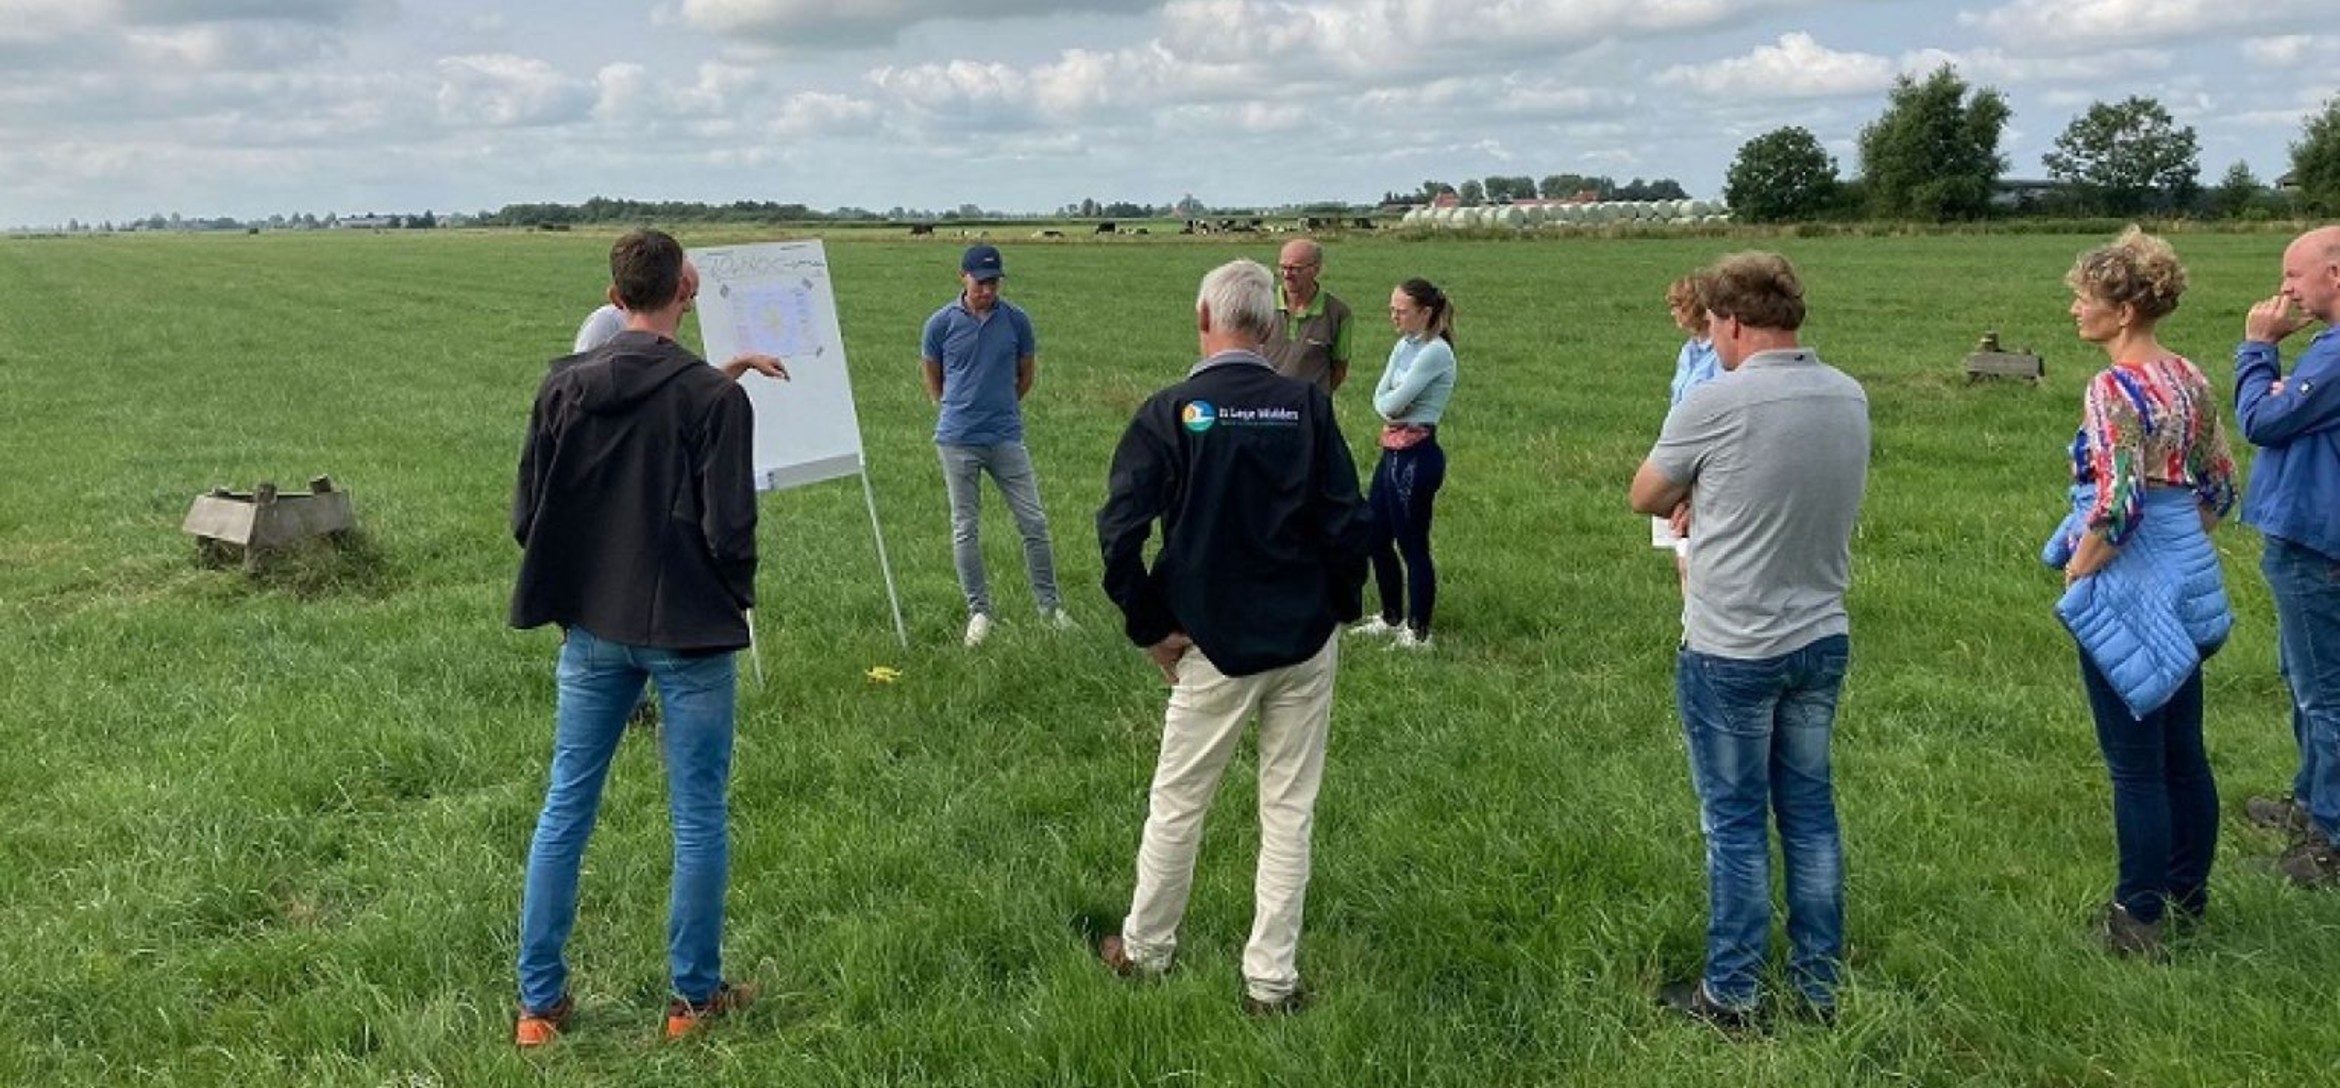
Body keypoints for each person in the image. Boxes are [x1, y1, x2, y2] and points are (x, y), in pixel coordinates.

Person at [1094, 258, 1371, 1016]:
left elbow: (1119, 532)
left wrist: (1151, 626)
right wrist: (1338, 610)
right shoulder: (1305, 407)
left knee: (1180, 801)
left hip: (1210, 644)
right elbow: (1349, 522)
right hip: (1303, 640)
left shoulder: (1172, 410)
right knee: (1289, 808)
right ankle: (1270, 982)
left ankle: (1147, 951)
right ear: (1274, 327)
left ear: (1203, 321)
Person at [509, 230, 759, 1047]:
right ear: (686, 287)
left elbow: (528, 515)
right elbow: (731, 531)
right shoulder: (716, 400)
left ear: (614, 294)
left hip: (591, 628)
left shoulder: (563, 388)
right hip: (688, 634)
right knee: (697, 818)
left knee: (565, 809)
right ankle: (692, 1001)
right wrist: (729, 596)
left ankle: (539, 1007)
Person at [1629, 251, 1869, 1028]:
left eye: (1713, 328)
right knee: (1809, 813)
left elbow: (1646, 494)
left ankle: (1730, 993)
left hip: (1732, 642)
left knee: (1734, 824)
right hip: (1821, 632)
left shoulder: (1716, 400)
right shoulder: (1847, 394)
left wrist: (1699, 490)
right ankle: (1818, 985)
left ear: (1729, 322)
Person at [2046, 227, 2234, 956]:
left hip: (2128, 577)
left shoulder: (2113, 388)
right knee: (2184, 748)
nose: (2074, 311)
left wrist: (2081, 565)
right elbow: (2221, 483)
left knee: (2134, 760)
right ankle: (2190, 895)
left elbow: (2117, 503)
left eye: (2083, 298)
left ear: (2123, 311)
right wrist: (2182, 542)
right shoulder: (2190, 378)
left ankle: (2138, 917)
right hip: (2186, 571)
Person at [566, 285, 787, 733]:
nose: (690, 303)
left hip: (647, 521)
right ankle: (632, 704)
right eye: (687, 293)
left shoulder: (665, 350)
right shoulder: (603, 329)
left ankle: (635, 701)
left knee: (573, 783)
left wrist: (736, 366)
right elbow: (594, 403)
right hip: (617, 508)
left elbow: (678, 397)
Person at [2236, 224, 2340, 887]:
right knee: (2302, 679)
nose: (2285, 290)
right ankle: (2309, 801)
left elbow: (2261, 423)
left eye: (2294, 275)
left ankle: (2330, 837)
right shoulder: (2326, 351)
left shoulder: (2334, 356)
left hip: (2315, 539)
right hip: (2308, 535)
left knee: (2323, 691)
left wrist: (2257, 350)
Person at [922, 243, 1073, 647]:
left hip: (1006, 437)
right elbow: (933, 377)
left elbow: (1025, 375)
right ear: (963, 277)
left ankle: (1049, 607)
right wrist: (955, 408)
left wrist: (1000, 407)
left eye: (994, 282)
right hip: (957, 440)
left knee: (1034, 522)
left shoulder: (1017, 321)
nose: (988, 290)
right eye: (981, 282)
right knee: (965, 528)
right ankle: (979, 611)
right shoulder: (940, 324)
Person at [1348, 278, 1456, 650]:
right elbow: (1380, 398)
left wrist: (1391, 404)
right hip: (1392, 450)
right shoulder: (1403, 346)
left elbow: (1390, 405)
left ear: (1425, 313)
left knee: (1413, 545)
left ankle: (1418, 630)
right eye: (1391, 308)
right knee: (1376, 536)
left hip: (1417, 455)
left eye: (1401, 310)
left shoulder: (1434, 352)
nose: (1392, 315)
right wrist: (1390, 403)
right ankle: (1391, 616)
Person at [1652, 276, 1722, 582]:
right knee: (1682, 554)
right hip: (1677, 452)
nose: (1673, 313)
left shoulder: (1721, 356)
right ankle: (1689, 627)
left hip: (1703, 457)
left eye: (1678, 306)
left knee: (1696, 560)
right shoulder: (1688, 352)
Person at [1260, 238, 1354, 393]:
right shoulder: (1261, 306)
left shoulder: (1338, 313)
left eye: (1295, 269)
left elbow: (1339, 368)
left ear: (1316, 269)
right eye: (1283, 267)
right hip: (1266, 404)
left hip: (1310, 408)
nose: (1286, 275)